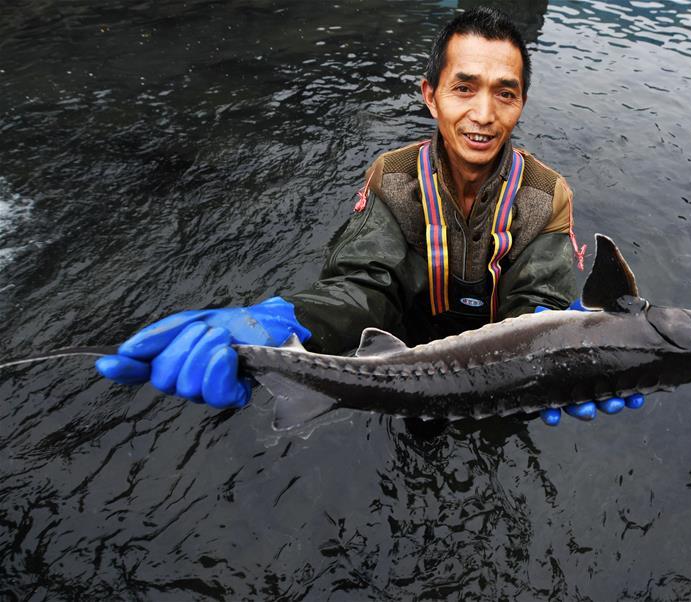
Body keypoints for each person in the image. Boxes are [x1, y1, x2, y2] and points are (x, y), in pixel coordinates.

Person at [96, 7, 645, 425]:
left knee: (500, 427)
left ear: (521, 102)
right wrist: (299, 320)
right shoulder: (393, 175)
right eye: (463, 88)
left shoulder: (548, 194)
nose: (483, 114)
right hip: (398, 352)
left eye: (506, 93)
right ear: (430, 96)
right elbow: (362, 286)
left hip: (506, 367)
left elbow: (538, 305)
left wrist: (573, 338)